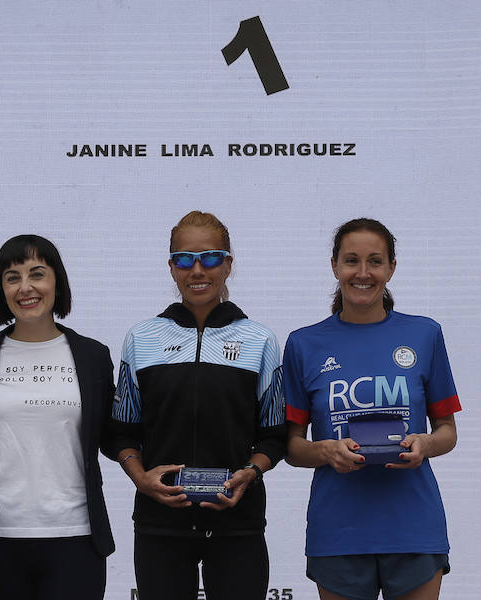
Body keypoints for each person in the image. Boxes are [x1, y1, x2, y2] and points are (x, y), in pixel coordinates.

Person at [111, 210, 286, 600]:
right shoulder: (141, 338)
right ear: (172, 267)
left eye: (209, 258)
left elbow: (275, 437)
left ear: (228, 264)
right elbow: (122, 431)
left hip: (238, 522)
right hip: (161, 525)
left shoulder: (260, 340)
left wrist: (250, 473)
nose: (197, 270)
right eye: (184, 260)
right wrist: (140, 477)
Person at [284, 218, 460, 600]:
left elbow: (447, 431)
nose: (363, 273)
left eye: (375, 261)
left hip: (413, 527)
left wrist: (425, 445)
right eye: (351, 261)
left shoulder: (425, 334)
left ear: (391, 268)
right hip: (338, 532)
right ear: (335, 266)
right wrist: (325, 450)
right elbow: (292, 446)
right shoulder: (303, 344)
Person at [0, 234, 115, 600]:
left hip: (77, 537)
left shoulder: (93, 356)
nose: (25, 287)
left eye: (37, 274)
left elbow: (113, 436)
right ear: (1, 289)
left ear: (56, 282)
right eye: (12, 277)